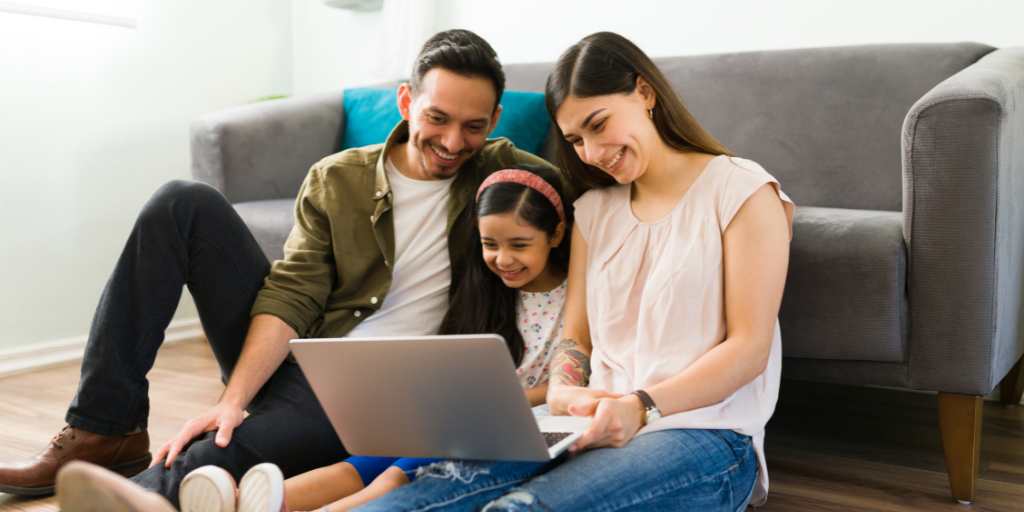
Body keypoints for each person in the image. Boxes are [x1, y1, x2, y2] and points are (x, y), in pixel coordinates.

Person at [0, 28, 557, 508]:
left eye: (474, 126)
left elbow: (603, 192)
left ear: (496, 121)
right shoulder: (339, 178)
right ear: (407, 101)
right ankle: (104, 429)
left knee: (210, 455)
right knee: (182, 203)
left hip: (380, 394)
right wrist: (232, 400)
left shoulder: (510, 177)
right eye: (437, 118)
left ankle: (141, 497)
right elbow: (292, 293)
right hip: (307, 353)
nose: (453, 142)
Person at [350, 30, 795, 511]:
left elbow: (749, 350)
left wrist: (640, 405)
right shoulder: (593, 211)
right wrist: (563, 391)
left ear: (644, 92)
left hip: (704, 432)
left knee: (523, 508)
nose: (592, 153)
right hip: (588, 422)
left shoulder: (742, 191)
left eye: (599, 124)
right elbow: (576, 339)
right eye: (575, 140)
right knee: (406, 501)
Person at [155, 163, 574, 512]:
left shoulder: (574, 300)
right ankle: (242, 501)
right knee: (359, 465)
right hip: (459, 415)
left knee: (392, 477)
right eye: (490, 245)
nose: (503, 259)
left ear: (554, 236)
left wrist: (503, 400)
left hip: (520, 422)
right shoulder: (486, 293)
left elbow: (567, 382)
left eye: (519, 245)